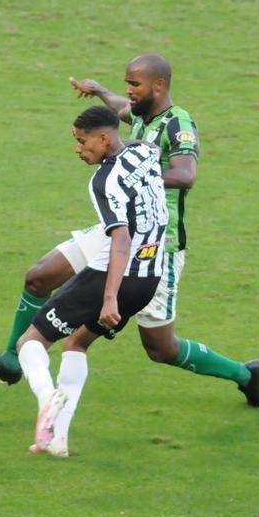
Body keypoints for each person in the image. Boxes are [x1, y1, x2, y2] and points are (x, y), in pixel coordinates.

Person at [0, 54, 259, 406]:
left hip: (155, 243)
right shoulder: (139, 114)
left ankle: (245, 374)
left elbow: (186, 175)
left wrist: (134, 175)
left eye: (135, 85)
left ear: (159, 85)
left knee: (160, 348)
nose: (129, 92)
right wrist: (99, 91)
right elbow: (122, 110)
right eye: (126, 84)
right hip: (117, 228)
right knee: (40, 276)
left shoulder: (177, 123)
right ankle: (13, 361)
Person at [19, 105, 168, 456]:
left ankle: (46, 398)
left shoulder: (103, 181)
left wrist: (110, 297)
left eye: (83, 141)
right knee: (77, 344)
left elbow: (120, 239)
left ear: (103, 139)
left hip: (113, 278)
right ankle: (57, 440)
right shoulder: (145, 151)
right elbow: (155, 149)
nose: (78, 149)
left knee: (31, 341)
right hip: (149, 279)